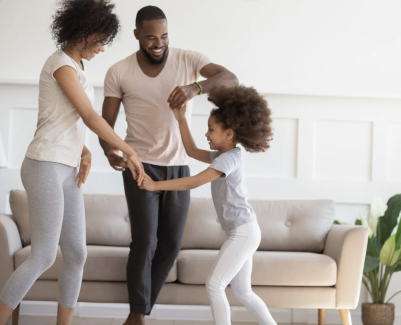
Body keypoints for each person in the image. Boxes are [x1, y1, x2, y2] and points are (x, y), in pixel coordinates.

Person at [0, 1, 145, 325]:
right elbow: (90, 116)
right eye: (101, 40)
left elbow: (63, 119)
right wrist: (130, 150)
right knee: (44, 255)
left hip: (65, 168)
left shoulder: (77, 67)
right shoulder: (61, 65)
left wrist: (84, 150)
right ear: (84, 32)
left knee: (77, 254)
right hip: (45, 165)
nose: (103, 48)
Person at [98, 6, 239, 325]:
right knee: (145, 242)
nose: (158, 43)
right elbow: (105, 126)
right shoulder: (118, 72)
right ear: (136, 35)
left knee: (171, 245)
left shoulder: (187, 60)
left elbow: (230, 78)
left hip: (178, 166)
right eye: (150, 37)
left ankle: (141, 309)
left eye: (163, 36)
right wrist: (109, 151)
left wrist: (195, 88)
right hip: (139, 166)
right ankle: (136, 316)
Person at [140, 86, 276, 325]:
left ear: (229, 133)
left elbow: (194, 181)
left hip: (243, 231)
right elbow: (191, 150)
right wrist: (181, 119)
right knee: (243, 292)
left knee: (215, 285)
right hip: (244, 230)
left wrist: (155, 185)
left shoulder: (229, 160)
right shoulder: (223, 155)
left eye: (211, 130)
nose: (207, 134)